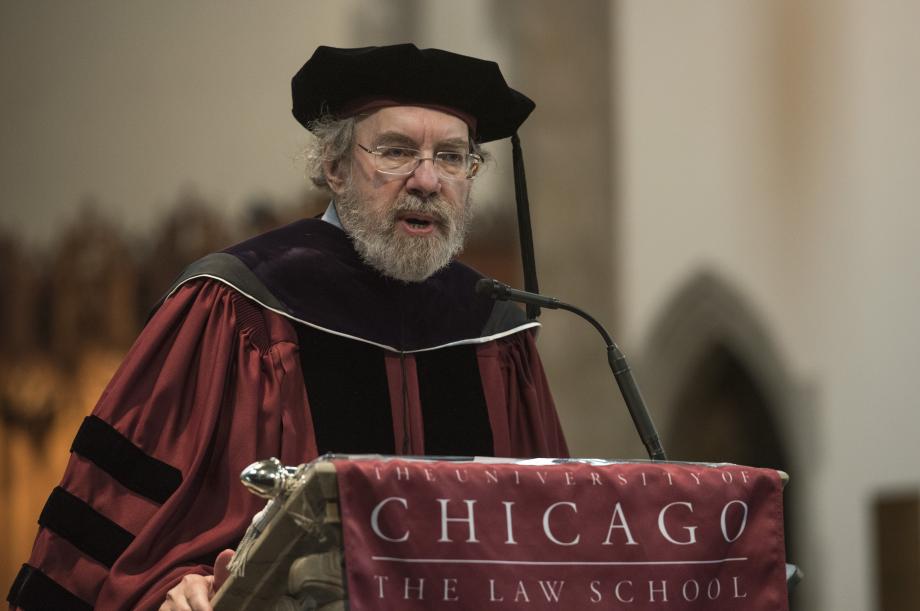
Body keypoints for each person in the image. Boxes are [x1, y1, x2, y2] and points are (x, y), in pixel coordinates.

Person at [6, 44, 568, 611]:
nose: (427, 180)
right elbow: (117, 525)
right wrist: (176, 584)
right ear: (334, 166)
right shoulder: (237, 302)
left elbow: (552, 536)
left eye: (450, 157)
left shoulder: (493, 331)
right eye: (396, 151)